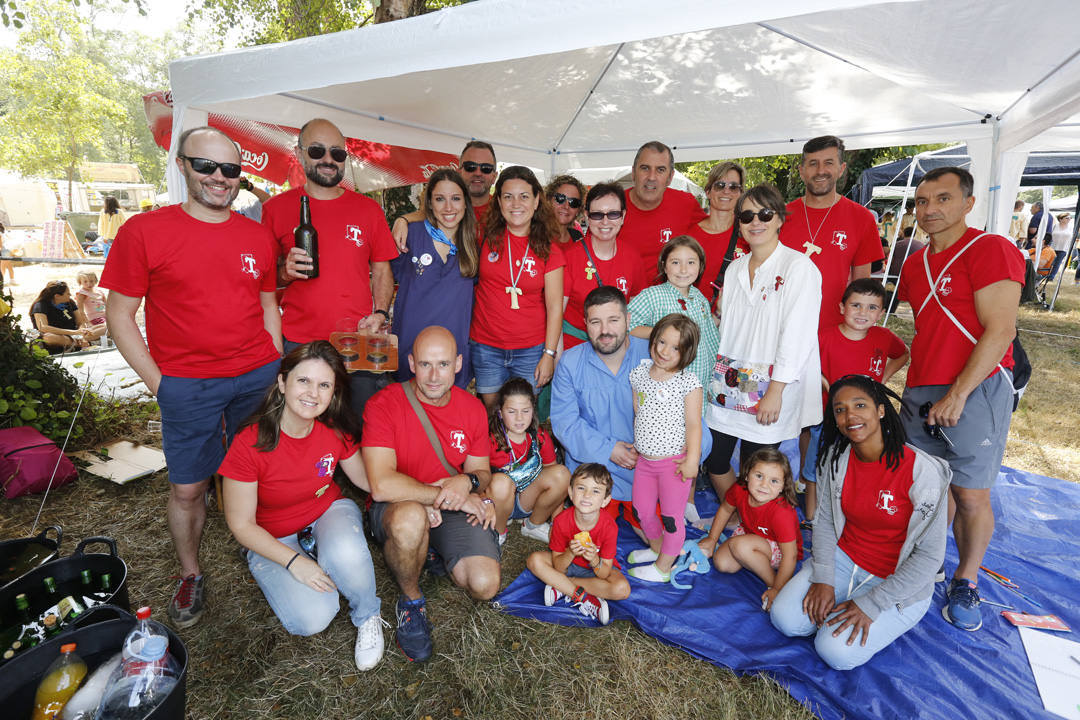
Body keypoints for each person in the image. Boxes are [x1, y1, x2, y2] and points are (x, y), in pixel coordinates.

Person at [103, 127, 282, 628]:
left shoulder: (256, 234)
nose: (219, 178)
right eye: (206, 166)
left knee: (261, 466)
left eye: (230, 170)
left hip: (256, 376)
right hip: (187, 385)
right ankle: (190, 573)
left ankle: (270, 542)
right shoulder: (144, 231)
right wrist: (159, 384)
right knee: (188, 488)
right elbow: (120, 315)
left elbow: (268, 303)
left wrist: (274, 361)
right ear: (182, 165)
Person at [898, 167, 1024, 631]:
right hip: (921, 386)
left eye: (943, 199)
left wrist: (958, 394)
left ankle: (966, 580)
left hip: (977, 386)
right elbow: (927, 328)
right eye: (922, 201)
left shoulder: (991, 249)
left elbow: (1001, 330)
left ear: (969, 203)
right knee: (925, 487)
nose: (930, 209)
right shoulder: (913, 263)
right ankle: (927, 562)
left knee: (970, 492)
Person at [219, 342, 384, 670]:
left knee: (347, 555)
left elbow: (370, 482)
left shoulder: (334, 429)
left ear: (334, 392)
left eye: (324, 385)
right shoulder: (249, 442)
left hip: (325, 510)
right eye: (303, 381)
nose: (313, 393)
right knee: (314, 618)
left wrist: (424, 493)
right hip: (272, 535)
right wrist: (294, 562)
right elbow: (240, 524)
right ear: (282, 383)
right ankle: (306, 555)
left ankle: (368, 615)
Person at [770, 375, 950, 670]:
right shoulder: (835, 458)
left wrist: (871, 604)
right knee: (784, 618)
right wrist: (824, 578)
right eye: (840, 410)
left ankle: (860, 615)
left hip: (895, 580)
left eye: (860, 405)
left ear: (880, 410)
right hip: (844, 560)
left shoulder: (923, 472)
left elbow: (930, 557)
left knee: (834, 652)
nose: (850, 416)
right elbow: (825, 520)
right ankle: (835, 604)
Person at [361, 326, 499, 663]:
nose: (434, 376)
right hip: (398, 505)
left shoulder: (472, 408)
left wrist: (466, 482)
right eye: (425, 364)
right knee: (411, 519)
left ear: (458, 364)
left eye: (443, 364)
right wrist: (438, 494)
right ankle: (410, 601)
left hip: (451, 502)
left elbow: (481, 472)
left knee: (485, 584)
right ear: (410, 363)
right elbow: (381, 485)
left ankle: (434, 550)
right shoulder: (383, 405)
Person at [261, 117, 397, 425]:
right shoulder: (276, 209)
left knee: (361, 425)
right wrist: (286, 273)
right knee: (305, 426)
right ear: (298, 154)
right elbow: (264, 280)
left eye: (337, 153)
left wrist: (380, 312)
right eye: (317, 150)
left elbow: (382, 269)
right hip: (301, 341)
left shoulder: (368, 210)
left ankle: (354, 475)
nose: (328, 159)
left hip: (358, 338)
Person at [551, 287, 714, 522]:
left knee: (656, 533)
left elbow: (692, 420)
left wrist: (676, 456)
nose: (605, 331)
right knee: (589, 537)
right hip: (597, 469)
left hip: (649, 467)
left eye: (614, 320)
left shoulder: (656, 354)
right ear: (585, 323)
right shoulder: (571, 362)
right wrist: (609, 449)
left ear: (628, 320)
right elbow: (565, 424)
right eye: (596, 322)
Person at [705, 185, 822, 505]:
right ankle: (744, 517)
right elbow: (726, 325)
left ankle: (760, 528)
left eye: (765, 214)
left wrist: (776, 389)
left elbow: (798, 335)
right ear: (738, 223)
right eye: (746, 215)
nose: (755, 221)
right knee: (714, 459)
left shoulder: (799, 268)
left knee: (756, 468)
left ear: (780, 218)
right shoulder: (735, 268)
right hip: (729, 379)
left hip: (771, 384)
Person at [779, 135, 882, 492]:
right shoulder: (783, 215)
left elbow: (863, 287)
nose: (820, 171)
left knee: (834, 411)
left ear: (841, 167)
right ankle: (800, 485)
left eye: (827, 163)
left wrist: (859, 335)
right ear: (801, 169)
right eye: (812, 163)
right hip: (785, 333)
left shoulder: (861, 218)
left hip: (835, 335)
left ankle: (840, 485)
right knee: (797, 414)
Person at [801, 278, 908, 523]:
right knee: (817, 463)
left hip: (867, 420)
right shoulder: (824, 337)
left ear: (881, 313)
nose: (863, 313)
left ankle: (853, 513)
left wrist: (883, 377)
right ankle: (812, 516)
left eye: (872, 307)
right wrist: (826, 384)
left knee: (860, 463)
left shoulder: (884, 337)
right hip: (828, 416)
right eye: (856, 305)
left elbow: (903, 354)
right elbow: (805, 363)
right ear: (841, 308)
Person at [470, 166, 565, 407]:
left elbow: (555, 307)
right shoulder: (483, 237)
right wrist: (405, 219)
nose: (516, 204)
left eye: (524, 196)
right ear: (498, 202)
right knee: (492, 415)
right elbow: (442, 215)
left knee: (521, 417)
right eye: (508, 196)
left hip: (530, 351)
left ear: (536, 202)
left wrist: (549, 354)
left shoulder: (550, 250)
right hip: (486, 347)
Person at [625, 314, 703, 583]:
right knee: (641, 510)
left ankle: (664, 567)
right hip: (646, 462)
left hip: (675, 464)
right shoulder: (639, 374)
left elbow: (694, 425)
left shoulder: (688, 382)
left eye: (675, 347)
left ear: (687, 353)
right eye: (661, 341)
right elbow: (639, 408)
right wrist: (640, 443)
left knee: (671, 517)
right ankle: (658, 550)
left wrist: (692, 460)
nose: (664, 351)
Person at [390, 168, 479, 389]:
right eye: (440, 199)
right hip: (411, 352)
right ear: (429, 203)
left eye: (455, 199)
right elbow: (381, 275)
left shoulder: (473, 244)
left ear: (466, 203)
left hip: (452, 355)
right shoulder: (410, 235)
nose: (449, 207)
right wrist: (403, 219)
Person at [697, 448, 802, 611]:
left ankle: (773, 584)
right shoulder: (739, 489)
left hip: (781, 551)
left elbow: (791, 554)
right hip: (751, 535)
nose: (764, 485)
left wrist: (776, 588)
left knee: (740, 546)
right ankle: (753, 558)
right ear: (746, 475)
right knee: (722, 563)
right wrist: (712, 539)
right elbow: (725, 509)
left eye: (774, 481)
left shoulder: (782, 512)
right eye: (759, 476)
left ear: (783, 486)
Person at [526, 463, 631, 625]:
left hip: (595, 571)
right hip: (568, 565)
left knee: (622, 589)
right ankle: (583, 597)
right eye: (581, 488)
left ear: (605, 501)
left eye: (595, 491)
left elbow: (603, 573)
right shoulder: (561, 522)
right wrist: (570, 552)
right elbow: (559, 567)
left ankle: (560, 586)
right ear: (570, 492)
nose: (587, 495)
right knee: (534, 560)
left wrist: (594, 559)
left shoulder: (609, 527)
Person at [628, 235, 719, 395]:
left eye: (691, 262)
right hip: (666, 390)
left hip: (700, 385)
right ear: (664, 266)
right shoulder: (653, 296)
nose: (683, 270)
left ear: (700, 266)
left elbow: (711, 339)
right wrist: (661, 334)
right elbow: (626, 325)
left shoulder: (699, 298)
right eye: (675, 262)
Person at [561, 182, 645, 350]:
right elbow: (556, 316)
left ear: (623, 216)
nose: (605, 222)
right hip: (575, 346)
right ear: (586, 216)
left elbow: (637, 314)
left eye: (613, 214)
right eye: (597, 215)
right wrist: (554, 356)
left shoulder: (633, 258)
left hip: (616, 347)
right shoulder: (570, 258)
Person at [486, 377, 571, 544]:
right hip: (496, 502)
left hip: (526, 500)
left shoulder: (539, 437)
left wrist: (557, 521)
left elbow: (556, 480)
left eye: (525, 411)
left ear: (533, 410)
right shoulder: (489, 441)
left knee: (562, 473)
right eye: (511, 411)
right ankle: (499, 531)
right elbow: (477, 479)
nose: (519, 418)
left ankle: (533, 525)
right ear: (500, 412)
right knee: (501, 483)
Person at [392, 141, 498, 249]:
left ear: (494, 176)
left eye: (486, 168)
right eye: (470, 167)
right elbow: (431, 214)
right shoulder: (448, 210)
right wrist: (403, 220)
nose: (478, 173)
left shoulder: (504, 211)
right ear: (459, 172)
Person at [621, 141, 707, 274]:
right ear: (633, 173)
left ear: (670, 177)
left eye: (660, 170)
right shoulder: (613, 207)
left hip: (673, 293)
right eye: (645, 168)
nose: (651, 177)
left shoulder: (686, 204)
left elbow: (714, 232)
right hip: (623, 293)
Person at [686, 162, 749, 307]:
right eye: (720, 185)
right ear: (708, 191)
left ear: (741, 194)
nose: (726, 191)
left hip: (736, 321)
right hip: (696, 322)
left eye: (734, 187)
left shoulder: (749, 234)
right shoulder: (689, 235)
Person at [30, 281, 92, 352]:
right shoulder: (40, 305)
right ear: (57, 296)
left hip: (74, 334)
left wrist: (81, 333)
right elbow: (43, 327)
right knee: (49, 338)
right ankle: (77, 343)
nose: (70, 295)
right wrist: (74, 332)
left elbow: (80, 322)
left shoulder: (70, 302)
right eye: (68, 294)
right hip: (58, 336)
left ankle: (81, 341)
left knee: (103, 328)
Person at [544, 174, 586, 248]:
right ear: (549, 200)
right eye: (560, 199)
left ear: (578, 210)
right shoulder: (536, 236)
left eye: (573, 202)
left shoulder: (578, 238)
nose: (566, 206)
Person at [74, 271, 108, 342]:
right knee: (109, 327)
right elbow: (80, 310)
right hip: (95, 318)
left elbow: (107, 305)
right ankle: (89, 336)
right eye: (85, 282)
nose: (89, 284)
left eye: (91, 281)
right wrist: (87, 322)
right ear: (80, 282)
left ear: (95, 281)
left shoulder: (99, 292)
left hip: (105, 316)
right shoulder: (82, 293)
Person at [1048, 213, 1072, 281]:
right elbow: (1050, 236)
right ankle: (1045, 274)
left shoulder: (1071, 228)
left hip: (1063, 249)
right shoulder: (1055, 226)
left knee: (1057, 264)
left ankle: (1051, 277)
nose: (1069, 219)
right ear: (1061, 219)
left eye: (1070, 218)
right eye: (1067, 218)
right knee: (1050, 262)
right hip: (1052, 248)